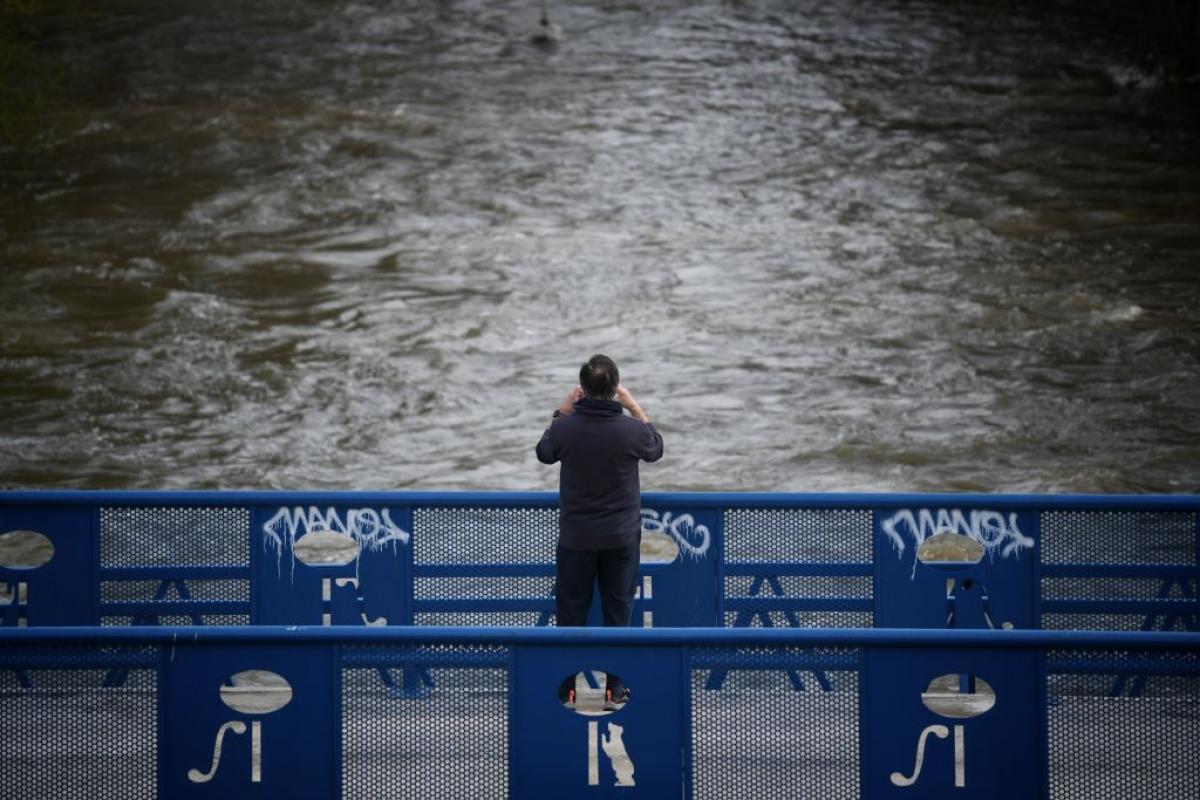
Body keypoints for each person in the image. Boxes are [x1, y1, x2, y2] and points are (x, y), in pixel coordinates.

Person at [536, 354, 664, 706]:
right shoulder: (631, 431)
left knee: (571, 612)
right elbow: (656, 447)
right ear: (613, 390)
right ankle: (615, 686)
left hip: (576, 537)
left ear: (582, 390)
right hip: (621, 537)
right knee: (618, 610)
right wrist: (633, 404)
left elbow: (544, 453)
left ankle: (569, 685)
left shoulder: (565, 428)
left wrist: (561, 411)